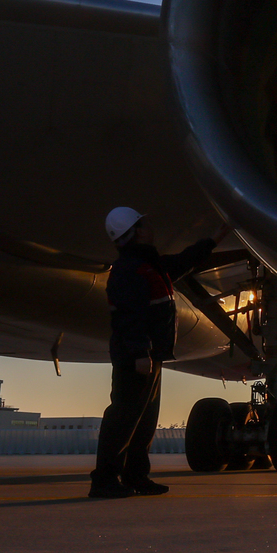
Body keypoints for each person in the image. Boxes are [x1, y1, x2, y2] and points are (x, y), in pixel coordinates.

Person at [88, 207, 228, 499]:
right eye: (144, 224)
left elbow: (185, 261)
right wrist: (141, 353)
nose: (150, 228)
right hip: (136, 359)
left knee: (144, 421)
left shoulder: (149, 265)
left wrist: (215, 239)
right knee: (124, 418)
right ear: (135, 232)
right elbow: (128, 317)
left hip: (151, 357)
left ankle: (136, 476)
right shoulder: (129, 271)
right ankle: (104, 481)